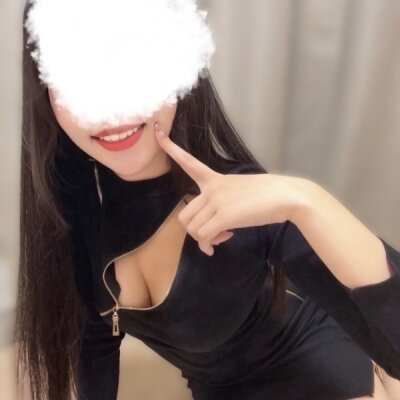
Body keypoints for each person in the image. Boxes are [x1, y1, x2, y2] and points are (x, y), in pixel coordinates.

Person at [14, 1, 400, 400]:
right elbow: (95, 345)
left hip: (323, 373)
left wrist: (305, 199)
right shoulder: (75, 221)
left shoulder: (241, 204)